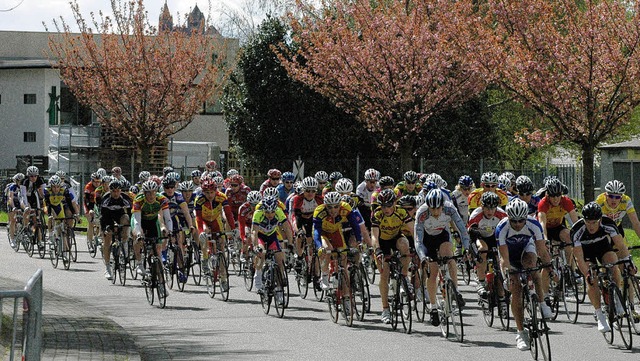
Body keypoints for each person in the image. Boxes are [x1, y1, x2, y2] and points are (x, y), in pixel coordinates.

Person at [496, 199, 552, 351]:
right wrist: (507, 275)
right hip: (509, 254)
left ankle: (542, 303)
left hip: (526, 248)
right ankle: (520, 333)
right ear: (509, 218)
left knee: (533, 268)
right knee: (516, 289)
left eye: (522, 220)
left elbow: (542, 251)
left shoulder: (534, 224)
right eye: (514, 221)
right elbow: (504, 259)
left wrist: (549, 267)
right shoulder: (502, 228)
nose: (518, 224)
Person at [571, 202, 635, 333]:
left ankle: (616, 299)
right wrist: (587, 275)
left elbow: (621, 246)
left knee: (613, 263)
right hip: (585, 251)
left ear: (600, 219)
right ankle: (599, 314)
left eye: (594, 222)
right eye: (588, 222)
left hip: (602, 247)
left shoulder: (608, 223)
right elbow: (578, 257)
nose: (591, 225)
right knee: (592, 278)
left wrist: (628, 261)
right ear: (583, 220)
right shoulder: (576, 230)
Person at [414, 188, 470, 326]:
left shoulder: (449, 208)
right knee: (432, 273)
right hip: (427, 239)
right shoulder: (422, 213)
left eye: (438, 208)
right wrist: (422, 256)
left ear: (442, 205)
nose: (436, 212)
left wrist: (467, 248)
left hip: (442, 236)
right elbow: (418, 240)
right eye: (432, 209)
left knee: (450, 257)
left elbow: (462, 229)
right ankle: (433, 308)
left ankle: (456, 291)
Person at [370, 189, 413, 324]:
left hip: (396, 238)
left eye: (389, 205)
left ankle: (404, 277)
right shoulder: (377, 214)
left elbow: (413, 229)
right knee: (384, 274)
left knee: (405, 244)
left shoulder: (401, 212)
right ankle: (385, 309)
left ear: (394, 203)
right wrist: (377, 250)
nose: (386, 209)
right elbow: (374, 236)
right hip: (382, 242)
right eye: (383, 206)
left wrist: (419, 246)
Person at [313, 192, 363, 293]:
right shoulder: (319, 211)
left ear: (340, 205)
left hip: (336, 231)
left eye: (336, 207)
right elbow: (317, 231)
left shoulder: (345, 208)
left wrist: (359, 241)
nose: (333, 210)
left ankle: (340, 283)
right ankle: (325, 275)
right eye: (330, 207)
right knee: (328, 249)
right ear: (325, 206)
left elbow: (355, 225)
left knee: (343, 256)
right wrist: (319, 247)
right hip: (323, 233)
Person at [194, 178, 237, 290]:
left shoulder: (222, 197)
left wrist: (233, 228)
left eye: (212, 192)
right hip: (204, 220)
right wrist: (201, 231)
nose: (210, 195)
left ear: (216, 191)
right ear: (203, 192)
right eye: (207, 193)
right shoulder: (199, 199)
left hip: (215, 220)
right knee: (204, 234)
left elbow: (228, 214)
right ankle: (204, 258)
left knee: (221, 247)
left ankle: (223, 278)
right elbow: (198, 218)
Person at [251, 196, 294, 293]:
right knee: (261, 254)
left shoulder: (279, 211)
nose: (270, 214)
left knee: (279, 261)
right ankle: (257, 279)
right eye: (267, 212)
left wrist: (290, 243)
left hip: (272, 236)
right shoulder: (258, 213)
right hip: (261, 236)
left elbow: (287, 228)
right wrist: (255, 246)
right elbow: (254, 231)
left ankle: (279, 287)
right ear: (263, 210)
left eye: (272, 212)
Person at [467, 192, 507, 296]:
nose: (490, 211)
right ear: (482, 206)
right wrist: (474, 254)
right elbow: (471, 237)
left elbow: (507, 233)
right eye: (487, 208)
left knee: (500, 257)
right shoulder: (476, 215)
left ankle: (502, 281)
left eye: (493, 208)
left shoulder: (502, 215)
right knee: (482, 250)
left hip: (495, 237)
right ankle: (481, 281)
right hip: (481, 237)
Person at [131, 180, 172, 280]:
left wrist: (169, 231)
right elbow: (137, 220)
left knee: (158, 248)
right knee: (137, 236)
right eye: (148, 193)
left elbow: (167, 218)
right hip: (140, 219)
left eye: (153, 192)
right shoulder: (139, 200)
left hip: (153, 221)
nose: (151, 195)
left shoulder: (161, 199)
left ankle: (161, 279)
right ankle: (139, 263)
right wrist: (139, 233)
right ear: (144, 193)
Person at [100, 180, 132, 280]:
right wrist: (106, 228)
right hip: (108, 217)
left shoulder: (125, 198)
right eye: (113, 191)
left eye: (118, 191)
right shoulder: (105, 199)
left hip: (120, 215)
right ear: (110, 191)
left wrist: (132, 226)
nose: (116, 193)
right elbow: (103, 217)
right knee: (107, 239)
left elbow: (131, 213)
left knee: (126, 220)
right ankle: (108, 267)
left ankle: (125, 244)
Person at [6, 173, 24, 245]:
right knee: (13, 220)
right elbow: (10, 198)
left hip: (20, 202)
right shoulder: (13, 186)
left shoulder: (24, 186)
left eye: (22, 181)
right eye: (19, 181)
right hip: (12, 201)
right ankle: (12, 238)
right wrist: (13, 207)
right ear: (16, 181)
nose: (20, 182)